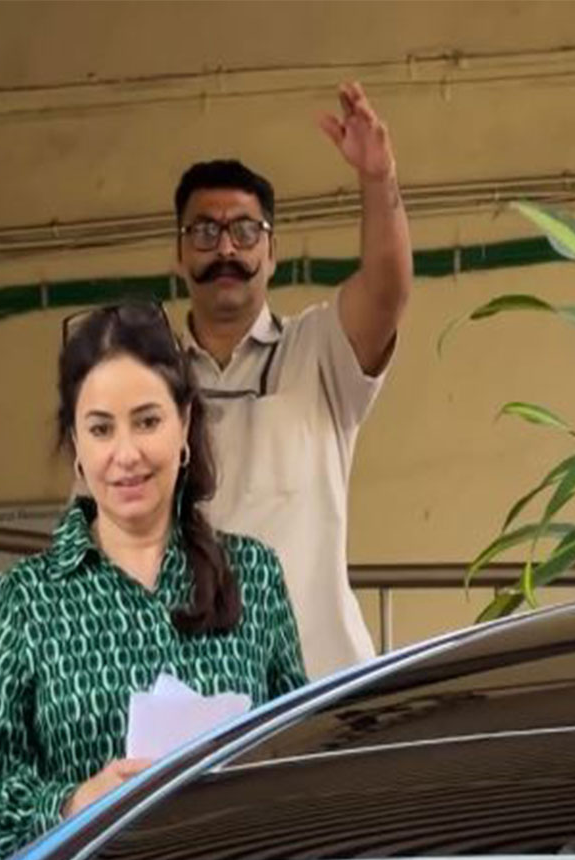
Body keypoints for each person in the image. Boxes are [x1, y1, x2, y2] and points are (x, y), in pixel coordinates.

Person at [0, 302, 307, 860]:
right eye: (101, 429)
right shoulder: (30, 599)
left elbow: (298, 754)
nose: (126, 454)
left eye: (147, 421)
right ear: (76, 445)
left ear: (184, 424)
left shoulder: (253, 576)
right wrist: (68, 806)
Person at [175, 81, 412, 680]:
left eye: (246, 231)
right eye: (205, 231)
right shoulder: (146, 379)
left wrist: (379, 180)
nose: (226, 247)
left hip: (318, 689)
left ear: (272, 253)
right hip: (188, 692)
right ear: (179, 256)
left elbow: (387, 295)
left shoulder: (319, 350)